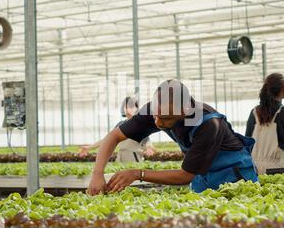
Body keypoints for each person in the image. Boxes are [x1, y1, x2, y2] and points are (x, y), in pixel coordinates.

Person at [87, 79, 258, 196]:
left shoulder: (208, 123)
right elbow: (114, 136)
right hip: (202, 175)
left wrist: (138, 173)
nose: (158, 122)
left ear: (184, 110)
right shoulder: (157, 111)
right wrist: (97, 174)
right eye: (155, 115)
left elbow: (185, 176)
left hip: (235, 174)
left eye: (166, 118)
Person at [79, 96, 156, 162]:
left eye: (132, 106)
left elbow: (147, 141)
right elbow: (107, 139)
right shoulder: (120, 125)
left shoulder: (140, 124)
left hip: (134, 159)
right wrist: (89, 147)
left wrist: (149, 148)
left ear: (137, 108)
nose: (128, 109)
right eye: (126, 107)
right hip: (120, 158)